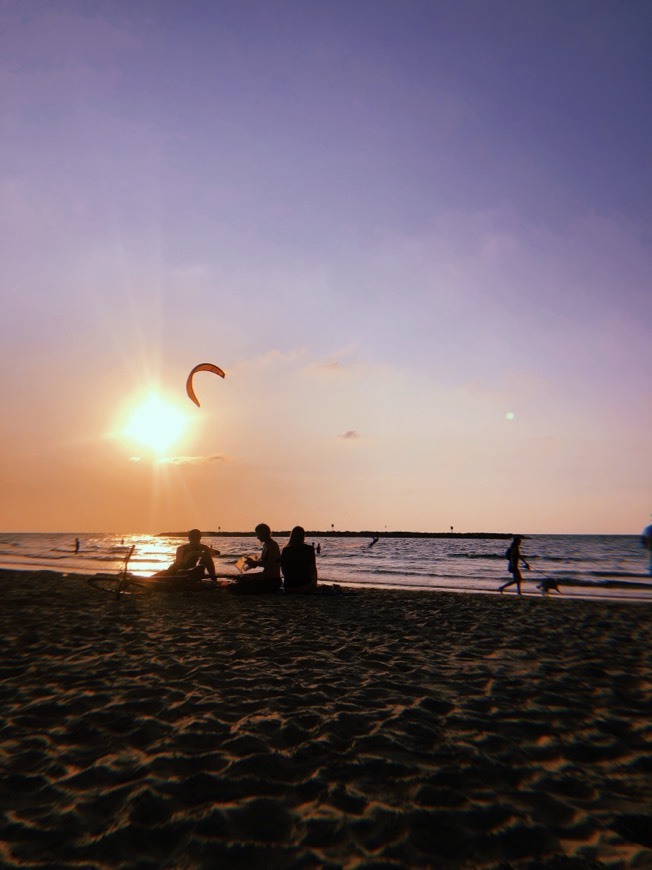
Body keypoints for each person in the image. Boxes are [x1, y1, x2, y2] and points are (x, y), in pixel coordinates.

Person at [231, 523, 281, 593]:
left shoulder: (273, 545)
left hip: (272, 579)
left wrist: (256, 563)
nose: (257, 537)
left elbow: (271, 564)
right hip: (266, 576)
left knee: (241, 582)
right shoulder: (266, 545)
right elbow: (263, 561)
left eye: (258, 534)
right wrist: (253, 562)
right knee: (240, 578)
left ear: (264, 533)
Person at [281, 526, 318, 593]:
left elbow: (283, 570)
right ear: (303, 536)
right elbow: (312, 568)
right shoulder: (309, 549)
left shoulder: (286, 550)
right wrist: (314, 584)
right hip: (305, 585)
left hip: (289, 586)